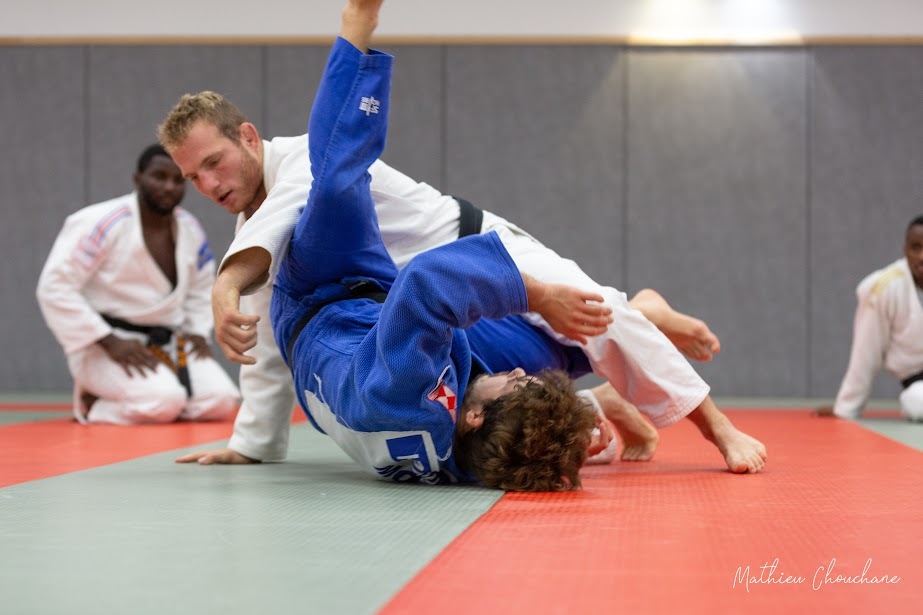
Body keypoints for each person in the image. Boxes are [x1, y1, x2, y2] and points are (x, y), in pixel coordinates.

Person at [160, 23, 765, 475]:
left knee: (595, 313)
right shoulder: (252, 235)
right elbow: (268, 348)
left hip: (475, 249)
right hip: (418, 309)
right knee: (526, 375)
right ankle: (642, 319)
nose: (209, 185)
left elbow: (302, 209)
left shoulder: (299, 162)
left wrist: (224, 284)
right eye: (195, 178)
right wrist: (253, 445)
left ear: (248, 137)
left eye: (214, 162)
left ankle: (718, 427)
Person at [221, 0, 596, 489]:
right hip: (364, 326)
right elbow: (524, 446)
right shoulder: (470, 462)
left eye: (516, 382)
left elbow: (427, 280)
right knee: (561, 352)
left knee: (335, 182)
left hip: (318, 297)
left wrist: (536, 294)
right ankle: (638, 324)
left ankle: (356, 27)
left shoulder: (409, 385)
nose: (518, 372)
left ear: (476, 416)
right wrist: (571, 433)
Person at [36, 144, 240, 425]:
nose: (168, 187)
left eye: (177, 179)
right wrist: (109, 341)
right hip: (104, 345)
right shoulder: (102, 223)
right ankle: (92, 405)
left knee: (220, 401)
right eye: (159, 177)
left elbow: (201, 288)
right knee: (162, 402)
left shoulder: (190, 228)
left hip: (168, 344)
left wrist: (197, 332)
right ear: (138, 178)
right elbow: (54, 287)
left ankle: (164, 399)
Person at [817, 215, 923, 421]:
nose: (922, 256)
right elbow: (866, 350)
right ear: (905, 250)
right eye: (915, 248)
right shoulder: (883, 287)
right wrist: (846, 407)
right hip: (919, 384)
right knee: (917, 402)